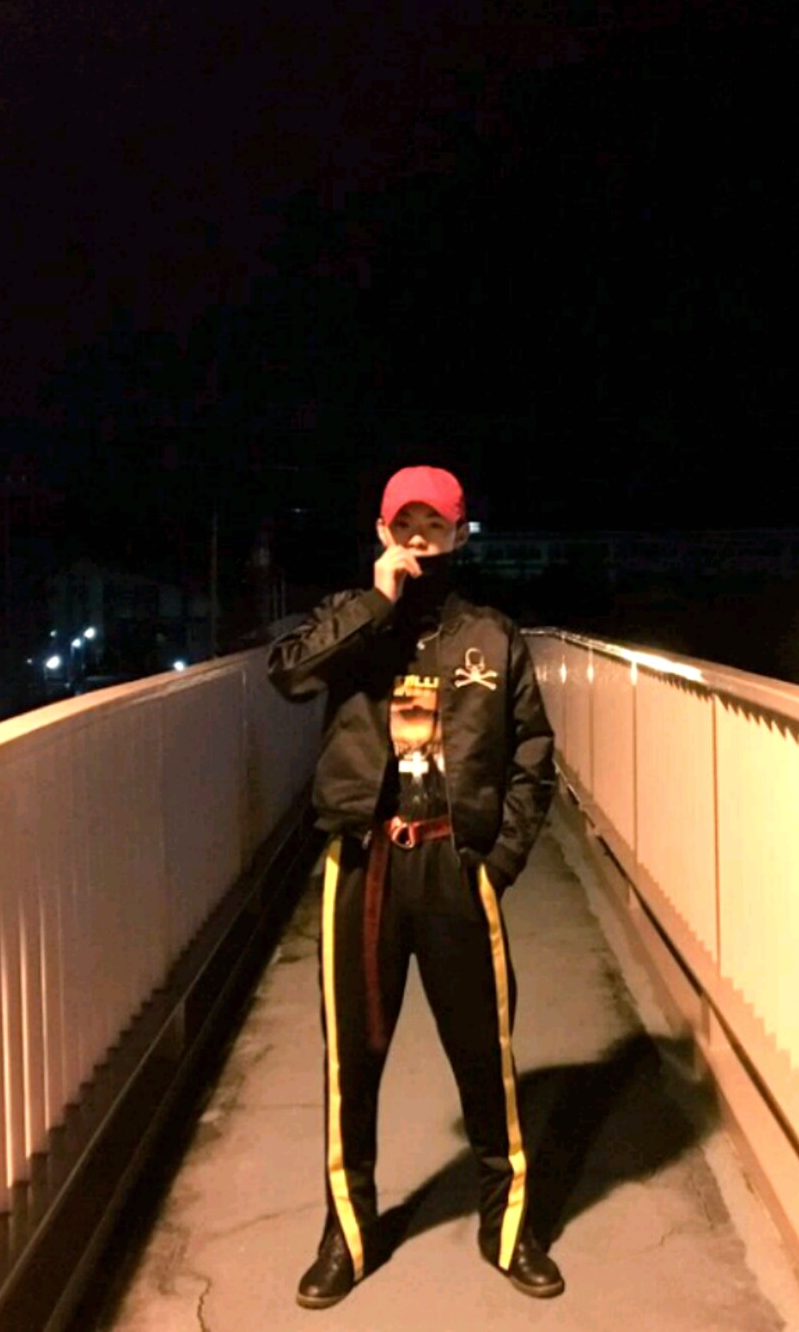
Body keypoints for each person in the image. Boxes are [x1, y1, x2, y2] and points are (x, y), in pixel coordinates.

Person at [267, 465, 563, 1308]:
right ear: (383, 532)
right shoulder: (350, 617)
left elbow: (533, 757)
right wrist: (375, 603)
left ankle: (508, 1226)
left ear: (460, 535)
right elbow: (289, 675)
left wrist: (496, 863)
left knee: (484, 1054)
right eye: (407, 525)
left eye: (436, 527)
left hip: (454, 865)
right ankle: (347, 1234)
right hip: (363, 861)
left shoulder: (491, 636)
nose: (421, 540)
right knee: (351, 1063)